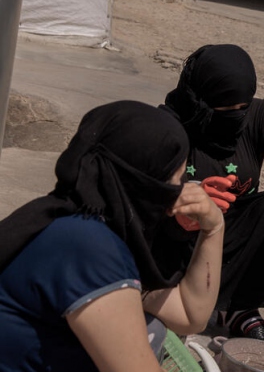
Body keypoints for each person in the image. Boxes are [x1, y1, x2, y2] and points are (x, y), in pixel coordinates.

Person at [0, 101, 224, 372]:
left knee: (151, 327)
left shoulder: (69, 218)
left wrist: (214, 228)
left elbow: (190, 315)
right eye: (176, 180)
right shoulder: (88, 248)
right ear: (144, 183)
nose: (182, 191)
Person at [161, 44, 264, 344]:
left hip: (231, 232)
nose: (236, 116)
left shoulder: (258, 114)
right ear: (201, 100)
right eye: (224, 110)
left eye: (241, 108)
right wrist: (187, 202)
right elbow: (146, 192)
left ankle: (239, 307)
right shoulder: (169, 123)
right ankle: (175, 298)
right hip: (181, 238)